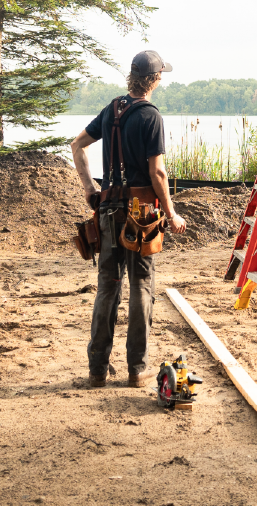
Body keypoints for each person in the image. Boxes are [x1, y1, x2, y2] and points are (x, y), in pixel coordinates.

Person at [71, 49, 187, 389]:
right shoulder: (151, 116)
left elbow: (78, 145)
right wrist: (172, 213)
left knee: (107, 288)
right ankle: (136, 369)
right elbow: (158, 173)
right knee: (140, 286)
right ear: (154, 79)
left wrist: (89, 188)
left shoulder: (112, 110)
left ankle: (96, 370)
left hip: (107, 213)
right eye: (160, 75)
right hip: (142, 218)